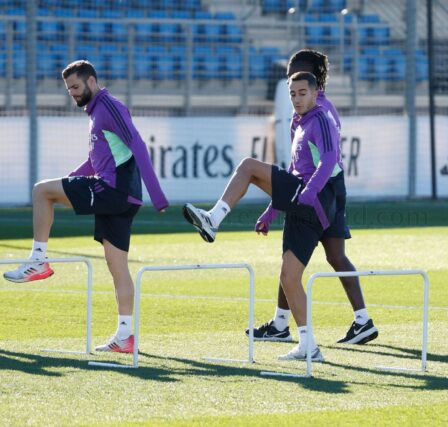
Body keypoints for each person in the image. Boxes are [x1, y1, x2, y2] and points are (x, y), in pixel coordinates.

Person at [3, 60, 169, 353]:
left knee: (42, 192)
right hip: (119, 198)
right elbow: (96, 162)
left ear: (92, 81)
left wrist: (158, 196)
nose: (73, 94)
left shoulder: (110, 107)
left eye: (76, 87)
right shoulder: (96, 114)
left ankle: (38, 260)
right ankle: (125, 336)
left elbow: (138, 145)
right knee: (118, 268)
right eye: (69, 90)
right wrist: (70, 179)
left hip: (112, 192)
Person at [183, 71, 338, 361]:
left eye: (302, 93)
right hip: (301, 202)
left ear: (316, 94)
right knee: (289, 278)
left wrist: (309, 192)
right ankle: (309, 346)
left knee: (248, 167)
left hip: (313, 199)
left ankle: (213, 219)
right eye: (292, 94)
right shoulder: (298, 123)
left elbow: (330, 160)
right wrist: (271, 210)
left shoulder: (321, 119)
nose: (297, 99)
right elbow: (294, 171)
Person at [248, 49, 378, 345]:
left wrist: (308, 191)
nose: (289, 74)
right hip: (329, 185)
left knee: (294, 258)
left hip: (322, 187)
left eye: (295, 69)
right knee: (333, 256)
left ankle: (283, 325)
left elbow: (326, 157)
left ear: (312, 78)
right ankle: (362, 320)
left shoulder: (318, 110)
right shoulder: (312, 106)